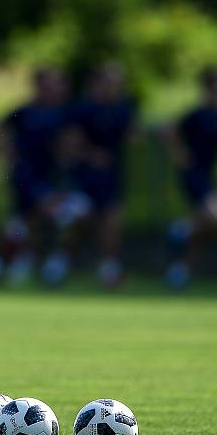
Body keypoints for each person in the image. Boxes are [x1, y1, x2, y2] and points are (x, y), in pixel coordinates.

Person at [0, 67, 70, 286]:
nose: (54, 88)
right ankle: (15, 262)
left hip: (49, 176)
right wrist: (7, 152)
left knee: (23, 223)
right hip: (26, 175)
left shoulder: (62, 113)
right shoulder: (25, 111)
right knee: (42, 213)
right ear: (38, 85)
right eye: (49, 83)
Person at [163, 67, 217, 289]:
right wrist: (179, 154)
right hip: (193, 175)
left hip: (209, 176)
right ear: (207, 89)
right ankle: (182, 230)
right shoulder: (197, 115)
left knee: (212, 227)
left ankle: (180, 267)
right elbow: (169, 132)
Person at [63, 63, 138, 288]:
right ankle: (60, 261)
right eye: (109, 82)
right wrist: (91, 154)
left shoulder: (123, 110)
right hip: (84, 178)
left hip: (111, 178)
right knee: (79, 220)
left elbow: (132, 137)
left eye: (117, 83)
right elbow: (69, 142)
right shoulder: (84, 109)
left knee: (112, 222)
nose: (113, 87)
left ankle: (109, 269)